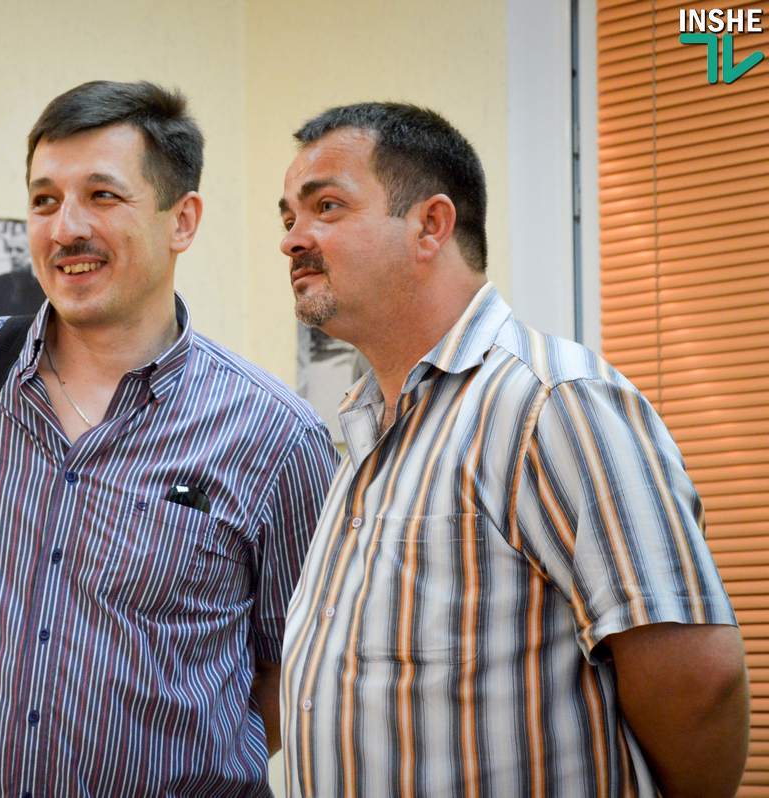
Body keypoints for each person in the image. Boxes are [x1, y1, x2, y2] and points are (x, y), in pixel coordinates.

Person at [0, 80, 337, 798]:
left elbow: (299, 668)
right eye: (44, 200)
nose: (65, 229)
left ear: (182, 220)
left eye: (102, 195)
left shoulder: (275, 437)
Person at [277, 103, 749, 798]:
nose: (293, 240)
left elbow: (699, 685)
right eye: (288, 217)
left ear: (431, 225)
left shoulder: (553, 402)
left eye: (326, 207)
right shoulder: (364, 427)